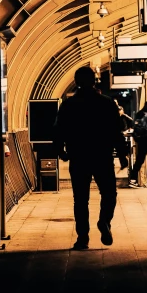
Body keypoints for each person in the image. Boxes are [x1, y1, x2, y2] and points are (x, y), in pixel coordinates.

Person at [53, 65, 129, 250]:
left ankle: (83, 238)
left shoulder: (69, 105)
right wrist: (122, 154)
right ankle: (104, 221)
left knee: (80, 199)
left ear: (77, 82)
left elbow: (58, 129)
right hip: (102, 156)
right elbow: (116, 131)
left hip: (78, 157)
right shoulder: (107, 103)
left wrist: (60, 151)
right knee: (109, 193)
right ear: (94, 81)